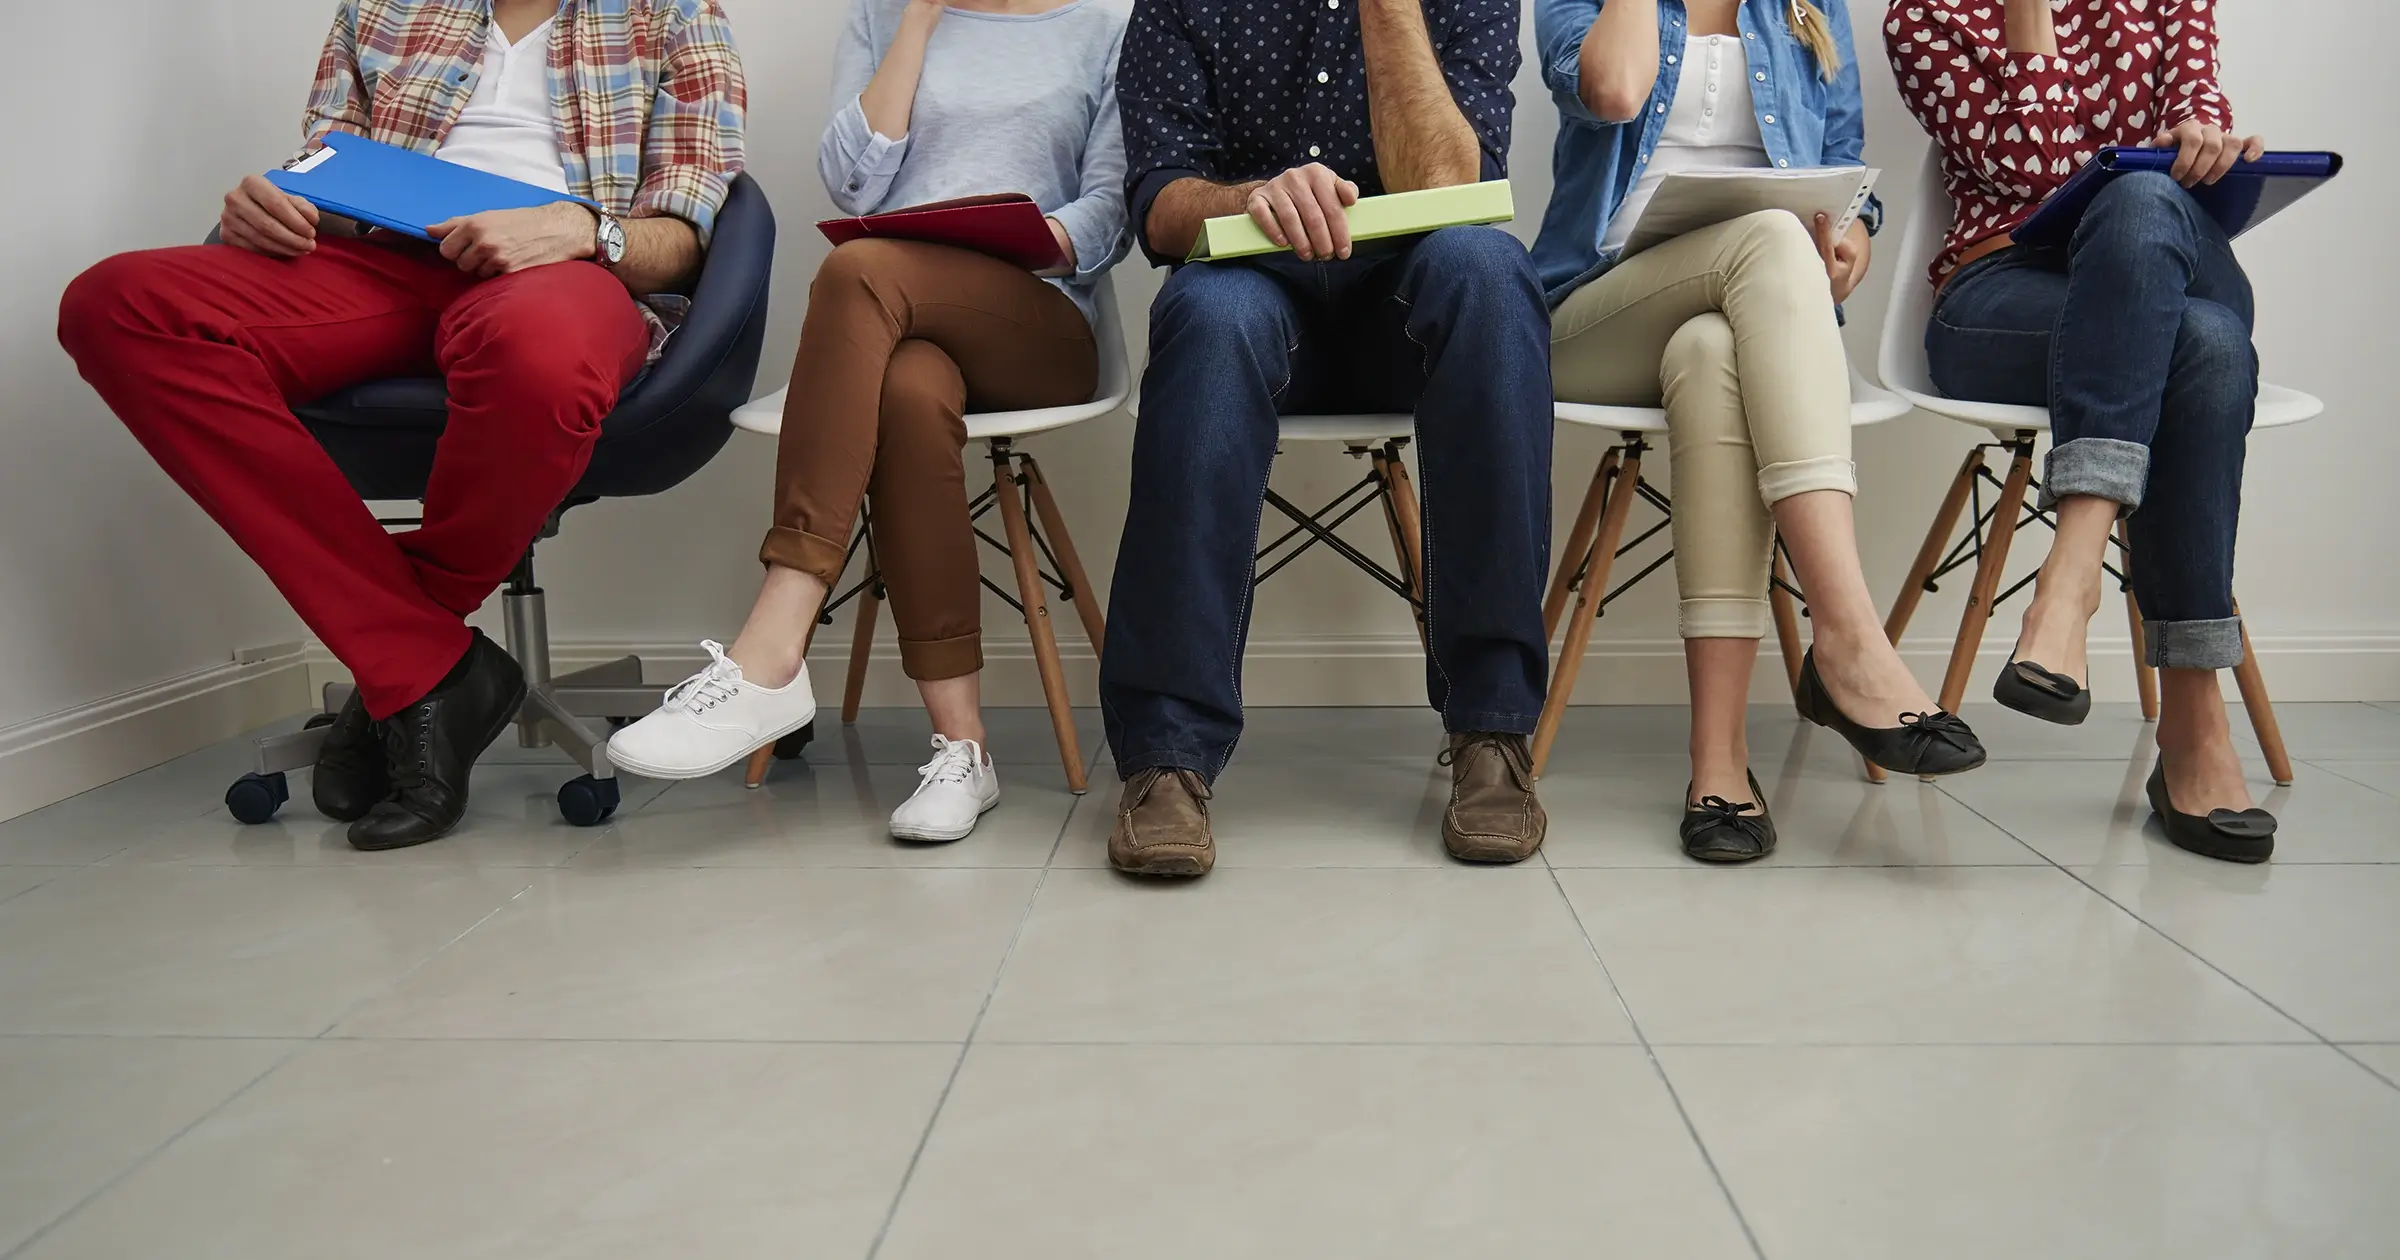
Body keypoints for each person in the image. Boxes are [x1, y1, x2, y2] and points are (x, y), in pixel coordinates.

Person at [57, 0, 747, 851]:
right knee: (119, 306)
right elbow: (322, 167)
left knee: (538, 352)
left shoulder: (673, 12)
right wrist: (273, 202)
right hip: (375, 267)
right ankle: (428, 663)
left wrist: (583, 228)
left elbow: (686, 235)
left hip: (559, 275)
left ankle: (405, 662)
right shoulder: (382, 9)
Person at [609, 0, 1130, 844]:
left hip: (1037, 317)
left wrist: (1021, 240)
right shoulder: (881, 19)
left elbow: (1113, 210)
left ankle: (775, 638)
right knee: (909, 394)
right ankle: (964, 750)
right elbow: (852, 181)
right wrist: (917, 22)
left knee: (857, 271)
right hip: (901, 322)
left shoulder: (1107, 24)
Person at [1101, 0, 1555, 877]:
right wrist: (1250, 199)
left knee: (1493, 273)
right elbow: (1158, 202)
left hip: (1413, 315)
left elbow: (1453, 191)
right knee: (1202, 308)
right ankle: (1167, 754)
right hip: (1255, 297)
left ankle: (1492, 732)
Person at [1534, 0, 1988, 862]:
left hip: (1747, 316)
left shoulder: (1806, 6)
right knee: (1772, 240)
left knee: (1712, 356)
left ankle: (1720, 767)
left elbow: (1846, 172)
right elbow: (1615, 90)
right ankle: (1849, 637)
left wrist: (1850, 241)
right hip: (1593, 315)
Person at [1889, 0, 2280, 862]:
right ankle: (2193, 720)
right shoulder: (1925, 15)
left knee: (2143, 199)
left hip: (2166, 256)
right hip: (1999, 299)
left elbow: (2196, 115)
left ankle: (2070, 578)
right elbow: (2035, 177)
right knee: (2206, 348)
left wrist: (2208, 145)